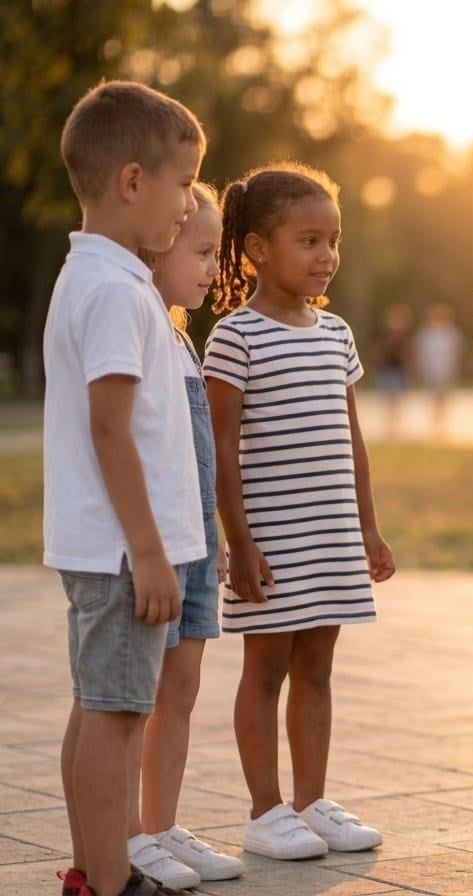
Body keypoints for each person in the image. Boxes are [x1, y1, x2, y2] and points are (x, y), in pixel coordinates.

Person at [203, 162, 396, 861]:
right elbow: (221, 450)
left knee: (317, 668)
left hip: (331, 534)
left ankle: (312, 802)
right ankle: (266, 811)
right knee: (266, 670)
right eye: (309, 241)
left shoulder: (336, 334)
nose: (326, 256)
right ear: (259, 248)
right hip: (271, 541)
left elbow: (352, 439)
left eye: (333, 241)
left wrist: (368, 527)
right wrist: (239, 542)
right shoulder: (235, 337)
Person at [45, 81, 207, 896]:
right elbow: (110, 428)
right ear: (133, 181)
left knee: (97, 709)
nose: (190, 204)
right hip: (121, 551)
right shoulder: (114, 290)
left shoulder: (100, 276)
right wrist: (149, 551)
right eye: (184, 184)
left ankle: (94, 871)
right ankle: (111, 884)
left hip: (105, 546)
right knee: (115, 717)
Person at [121, 183, 245, 888]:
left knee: (183, 686)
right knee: (138, 696)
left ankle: (160, 825)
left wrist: (214, 535)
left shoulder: (179, 338)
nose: (211, 268)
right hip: (157, 546)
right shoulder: (139, 328)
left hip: (195, 545)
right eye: (200, 252)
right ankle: (127, 837)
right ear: (158, 245)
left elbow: (194, 456)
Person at [413, 301, 465, 436]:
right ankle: (435, 422)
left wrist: (456, 369)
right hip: (430, 370)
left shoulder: (452, 333)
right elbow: (420, 353)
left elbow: (457, 352)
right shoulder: (425, 334)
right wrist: (419, 369)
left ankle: (442, 422)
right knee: (433, 396)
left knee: (444, 397)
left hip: (447, 370)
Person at [372, 302, 414, 437]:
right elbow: (379, 354)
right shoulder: (385, 337)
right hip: (387, 371)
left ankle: (395, 425)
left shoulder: (404, 339)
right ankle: (388, 425)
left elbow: (408, 356)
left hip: (399, 371)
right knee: (387, 398)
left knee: (397, 399)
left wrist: (411, 370)